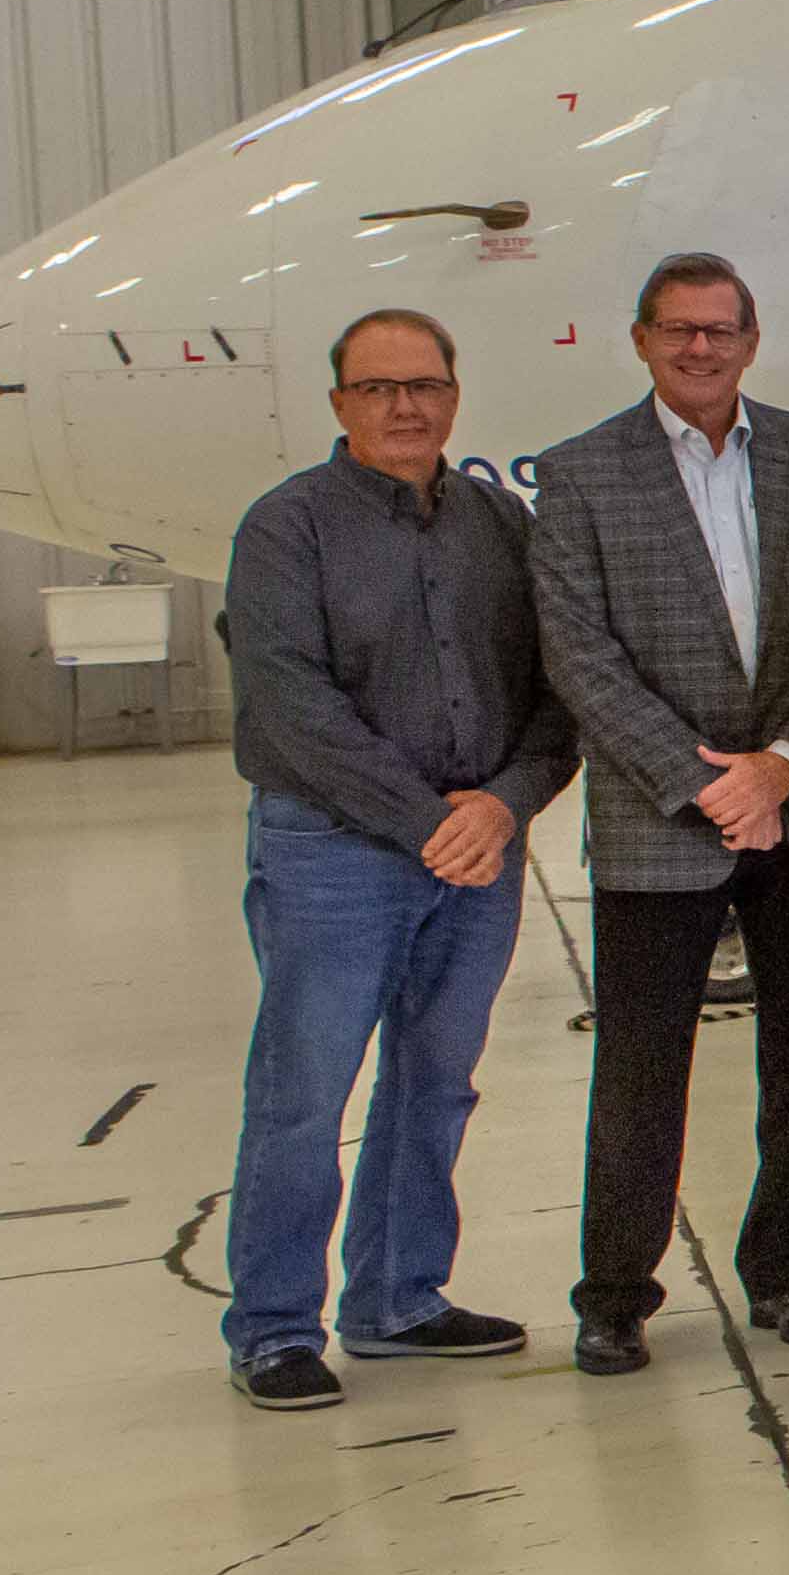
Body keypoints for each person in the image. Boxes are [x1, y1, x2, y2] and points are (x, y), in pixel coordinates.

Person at [213, 313, 575, 1408]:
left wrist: (507, 807)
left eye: (423, 385)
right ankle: (275, 1325)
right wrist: (431, 821)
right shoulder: (286, 529)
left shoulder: (500, 526)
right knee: (304, 1092)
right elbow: (289, 707)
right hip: (335, 850)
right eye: (377, 389)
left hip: (477, 854)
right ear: (339, 406)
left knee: (435, 1086)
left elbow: (560, 689)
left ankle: (397, 1297)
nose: (404, 406)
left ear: (455, 396)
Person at [527, 256, 789, 1371]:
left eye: (719, 330)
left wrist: (784, 765)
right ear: (639, 340)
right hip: (658, 823)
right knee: (639, 1065)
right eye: (677, 331)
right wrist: (708, 782)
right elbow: (579, 656)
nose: (699, 349)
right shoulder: (581, 474)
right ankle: (615, 1289)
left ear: (752, 338)